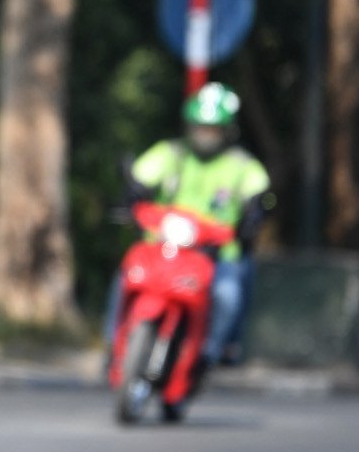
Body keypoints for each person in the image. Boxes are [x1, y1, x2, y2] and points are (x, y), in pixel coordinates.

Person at [105, 82, 271, 371]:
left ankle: (212, 351)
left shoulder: (241, 165)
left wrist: (252, 218)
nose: (205, 137)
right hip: (164, 249)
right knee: (126, 278)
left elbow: (259, 194)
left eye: (212, 130)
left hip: (215, 255)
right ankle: (113, 344)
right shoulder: (172, 153)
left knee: (227, 295)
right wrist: (131, 197)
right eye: (200, 128)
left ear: (227, 131)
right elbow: (141, 179)